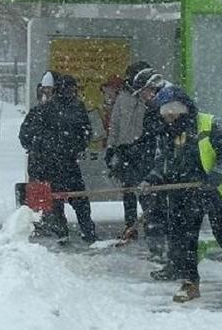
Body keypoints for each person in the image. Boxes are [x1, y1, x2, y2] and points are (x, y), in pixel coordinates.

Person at [144, 86, 222, 304]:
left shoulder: (209, 124)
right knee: (186, 238)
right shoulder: (167, 133)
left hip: (217, 190)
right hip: (187, 192)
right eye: (165, 111)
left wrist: (214, 178)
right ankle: (190, 283)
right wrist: (151, 180)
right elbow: (163, 163)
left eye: (174, 109)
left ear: (185, 108)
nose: (169, 115)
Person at [19, 71, 97, 243]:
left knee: (56, 201)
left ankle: (62, 233)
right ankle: (87, 232)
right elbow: (86, 134)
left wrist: (39, 148)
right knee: (79, 199)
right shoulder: (78, 108)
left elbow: (25, 136)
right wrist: (74, 148)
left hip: (49, 164)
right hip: (69, 163)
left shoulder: (42, 110)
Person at [126, 66, 172, 258]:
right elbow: (149, 139)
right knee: (153, 211)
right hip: (151, 167)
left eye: (142, 92)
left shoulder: (168, 107)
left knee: (159, 213)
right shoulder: (154, 108)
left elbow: (164, 145)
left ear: (151, 87)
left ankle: (165, 253)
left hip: (164, 171)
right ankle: (159, 251)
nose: (142, 97)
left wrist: (155, 173)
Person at [106, 64, 155, 239]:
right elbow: (115, 125)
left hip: (143, 150)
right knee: (128, 191)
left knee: (145, 190)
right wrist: (111, 148)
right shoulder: (123, 97)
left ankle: (151, 225)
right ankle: (130, 226)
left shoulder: (149, 97)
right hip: (124, 150)